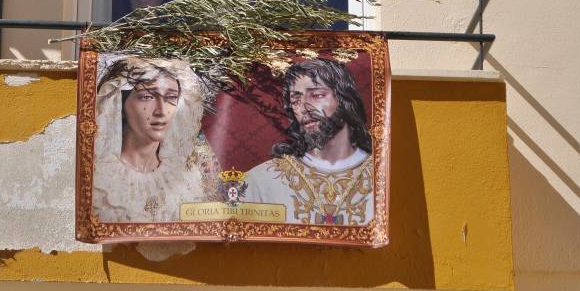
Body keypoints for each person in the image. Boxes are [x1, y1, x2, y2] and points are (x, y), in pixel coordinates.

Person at [246, 58, 374, 225]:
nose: (304, 108)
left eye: (317, 95)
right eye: (295, 100)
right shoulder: (261, 181)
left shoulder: (382, 176)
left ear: (345, 100)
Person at [92, 55, 218, 223]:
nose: (161, 110)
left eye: (171, 97)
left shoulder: (188, 177)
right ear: (119, 106)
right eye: (146, 97)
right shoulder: (99, 176)